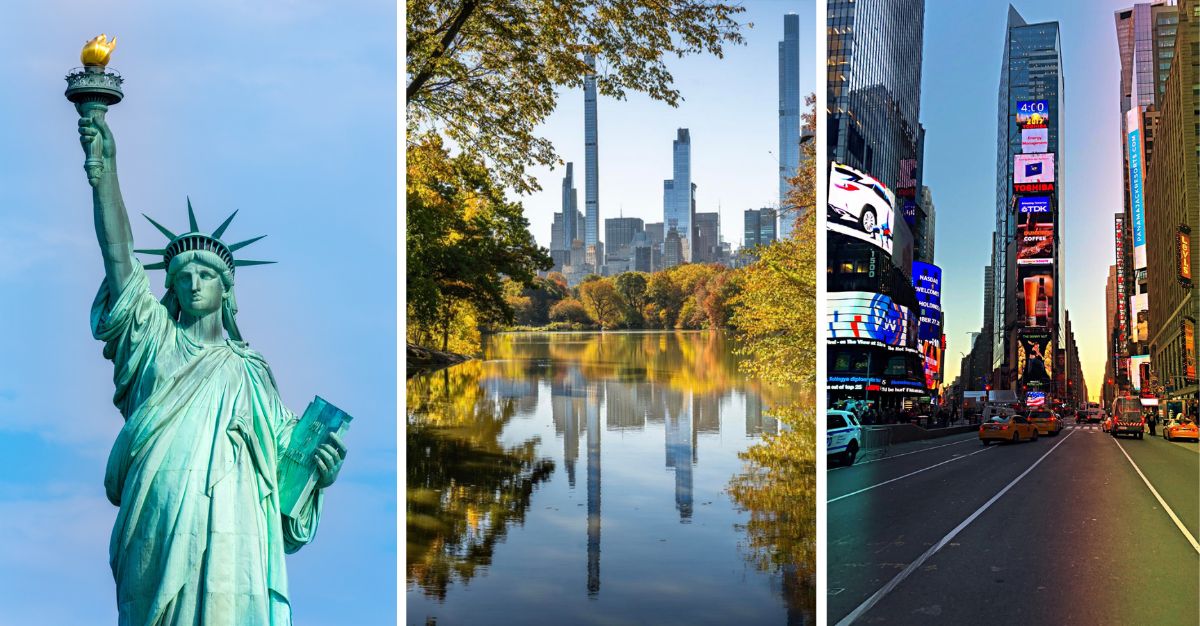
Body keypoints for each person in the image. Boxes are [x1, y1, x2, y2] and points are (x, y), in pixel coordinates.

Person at [79, 103, 347, 624]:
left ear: (228, 291)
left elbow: (287, 466)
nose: (194, 282)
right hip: (161, 503)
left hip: (239, 523)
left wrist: (321, 470)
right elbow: (118, 256)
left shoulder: (252, 371)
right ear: (172, 290)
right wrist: (103, 173)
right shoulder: (152, 339)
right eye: (183, 275)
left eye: (207, 274)